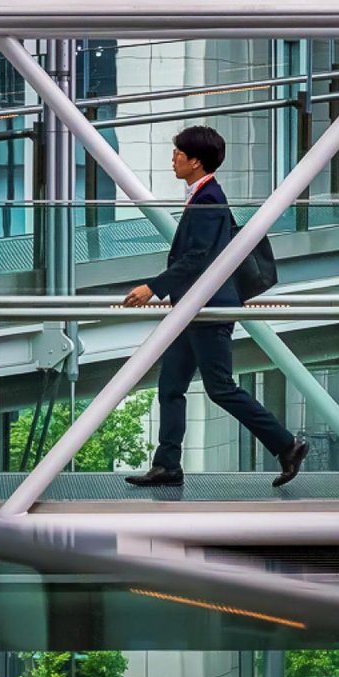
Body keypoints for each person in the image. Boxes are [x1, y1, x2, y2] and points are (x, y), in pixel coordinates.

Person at [121, 126, 308, 489]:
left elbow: (196, 258)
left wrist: (153, 288)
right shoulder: (203, 195)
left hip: (207, 311)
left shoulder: (209, 200)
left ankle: (287, 445)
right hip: (191, 310)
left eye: (178, 153)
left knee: (220, 388)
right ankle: (167, 465)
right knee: (171, 386)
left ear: (195, 161)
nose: (173, 158)